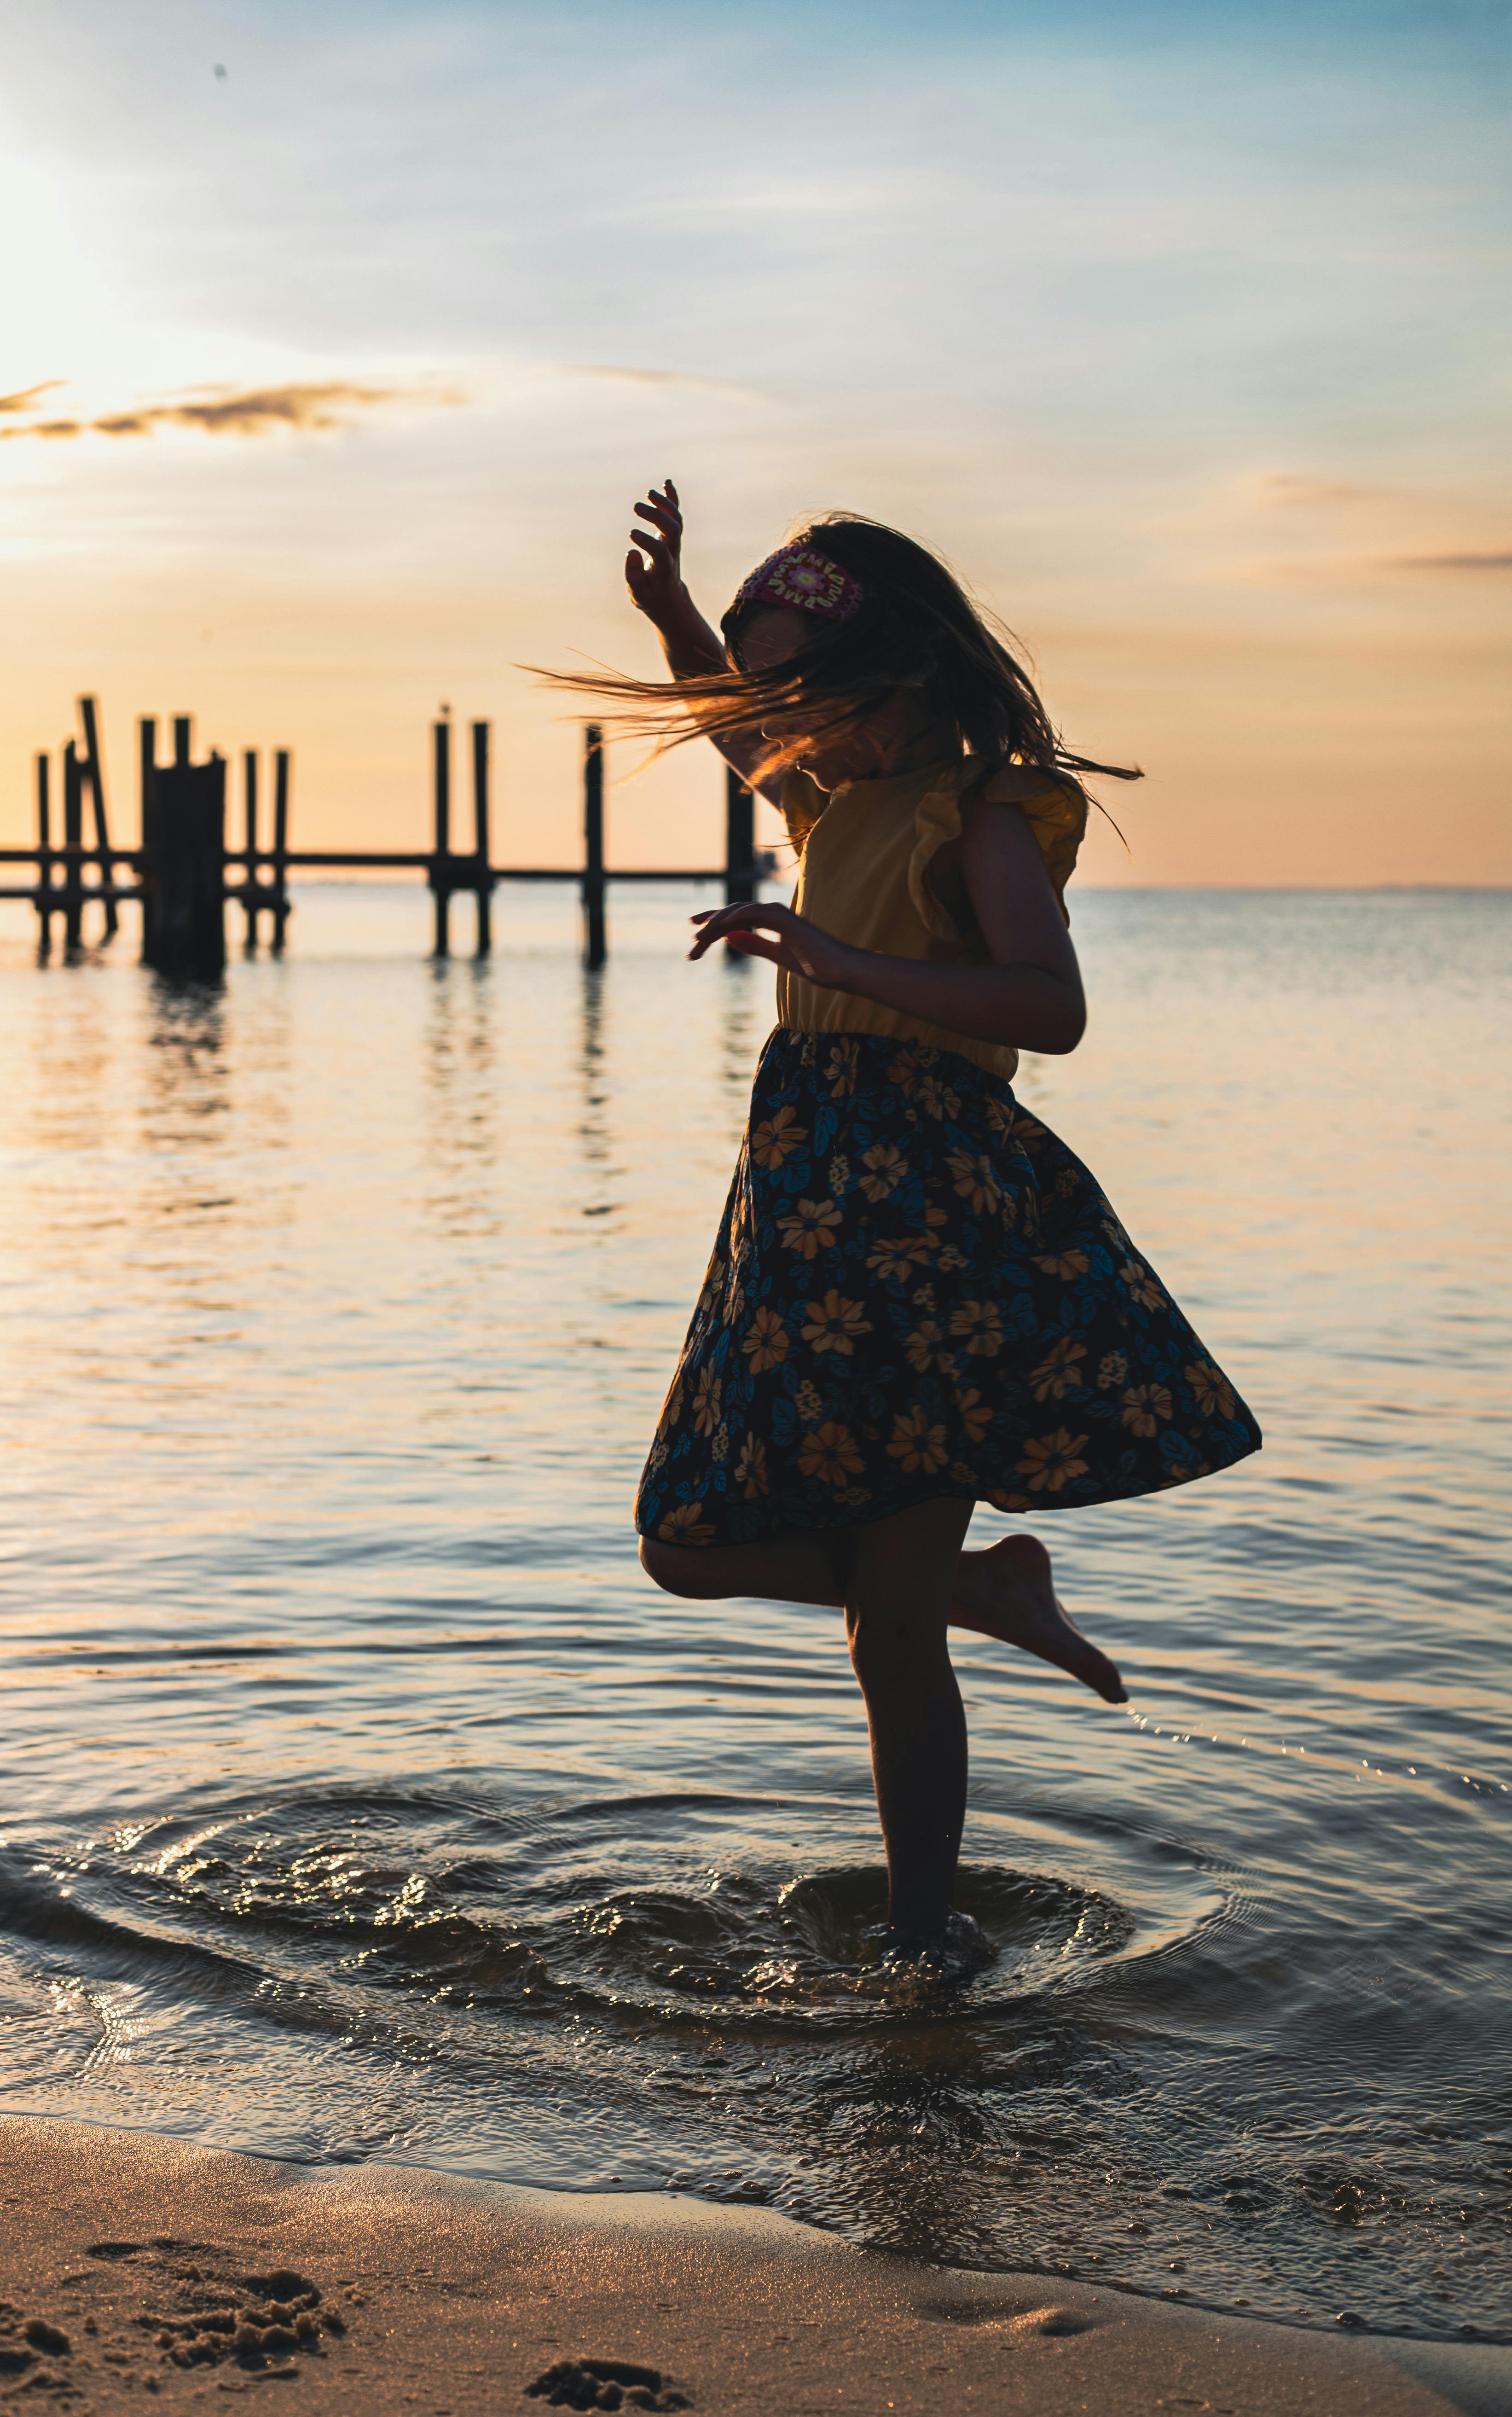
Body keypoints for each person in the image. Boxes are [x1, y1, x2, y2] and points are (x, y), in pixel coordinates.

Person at [555, 486, 1261, 1974]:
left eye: (805, 687)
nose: (780, 719)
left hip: (931, 1219)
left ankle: (922, 1945)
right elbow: (735, 726)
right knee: (682, 1543)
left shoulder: (982, 809)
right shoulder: (835, 796)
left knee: (885, 1639)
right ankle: (979, 1590)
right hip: (806, 1207)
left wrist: (830, 952)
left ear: (900, 675)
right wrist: (674, 616)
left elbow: (1048, 1008)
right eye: (773, 691)